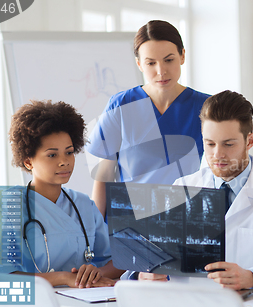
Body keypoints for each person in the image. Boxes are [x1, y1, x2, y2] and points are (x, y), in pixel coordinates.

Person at [138, 90, 253, 290]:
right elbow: (155, 254)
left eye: (228, 144)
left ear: (250, 141)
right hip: (191, 304)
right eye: (210, 144)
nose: (217, 154)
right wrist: (147, 272)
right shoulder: (182, 188)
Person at [87, 20, 210, 217]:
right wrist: (95, 232)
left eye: (168, 60)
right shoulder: (121, 105)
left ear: (182, 56)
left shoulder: (206, 108)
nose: (161, 71)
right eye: (151, 63)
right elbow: (104, 175)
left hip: (185, 219)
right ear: (139, 64)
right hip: (130, 223)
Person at [8, 100, 123, 288]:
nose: (64, 162)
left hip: (85, 303)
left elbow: (118, 260)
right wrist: (62, 278)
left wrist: (95, 273)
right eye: (52, 155)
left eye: (69, 152)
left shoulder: (84, 205)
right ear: (28, 161)